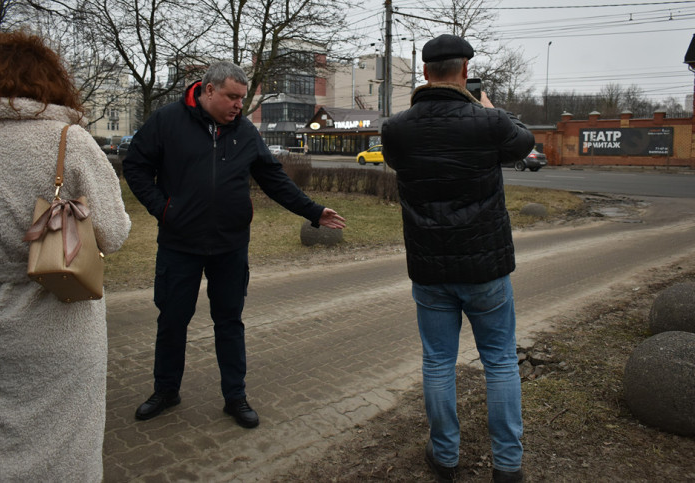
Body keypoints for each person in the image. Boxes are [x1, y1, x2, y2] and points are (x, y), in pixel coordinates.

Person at [0, 31, 131, 481]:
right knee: (68, 447)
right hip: (62, 321)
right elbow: (115, 234)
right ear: (52, 83)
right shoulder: (72, 141)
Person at [123, 61, 346, 428]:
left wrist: (313, 211)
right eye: (232, 97)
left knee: (229, 322)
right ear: (208, 90)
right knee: (173, 321)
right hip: (180, 244)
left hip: (230, 246)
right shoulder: (167, 121)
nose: (239, 105)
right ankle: (165, 390)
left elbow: (273, 178)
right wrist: (163, 208)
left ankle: (235, 397)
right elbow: (136, 166)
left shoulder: (244, 131)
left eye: (242, 99)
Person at [381, 34, 534, 483]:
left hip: (430, 268)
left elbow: (395, 161)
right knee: (501, 361)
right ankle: (507, 465)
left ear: (425, 73)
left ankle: (445, 457)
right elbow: (522, 144)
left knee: (437, 362)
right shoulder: (487, 122)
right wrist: (486, 107)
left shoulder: (397, 128)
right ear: (465, 71)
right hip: (485, 268)